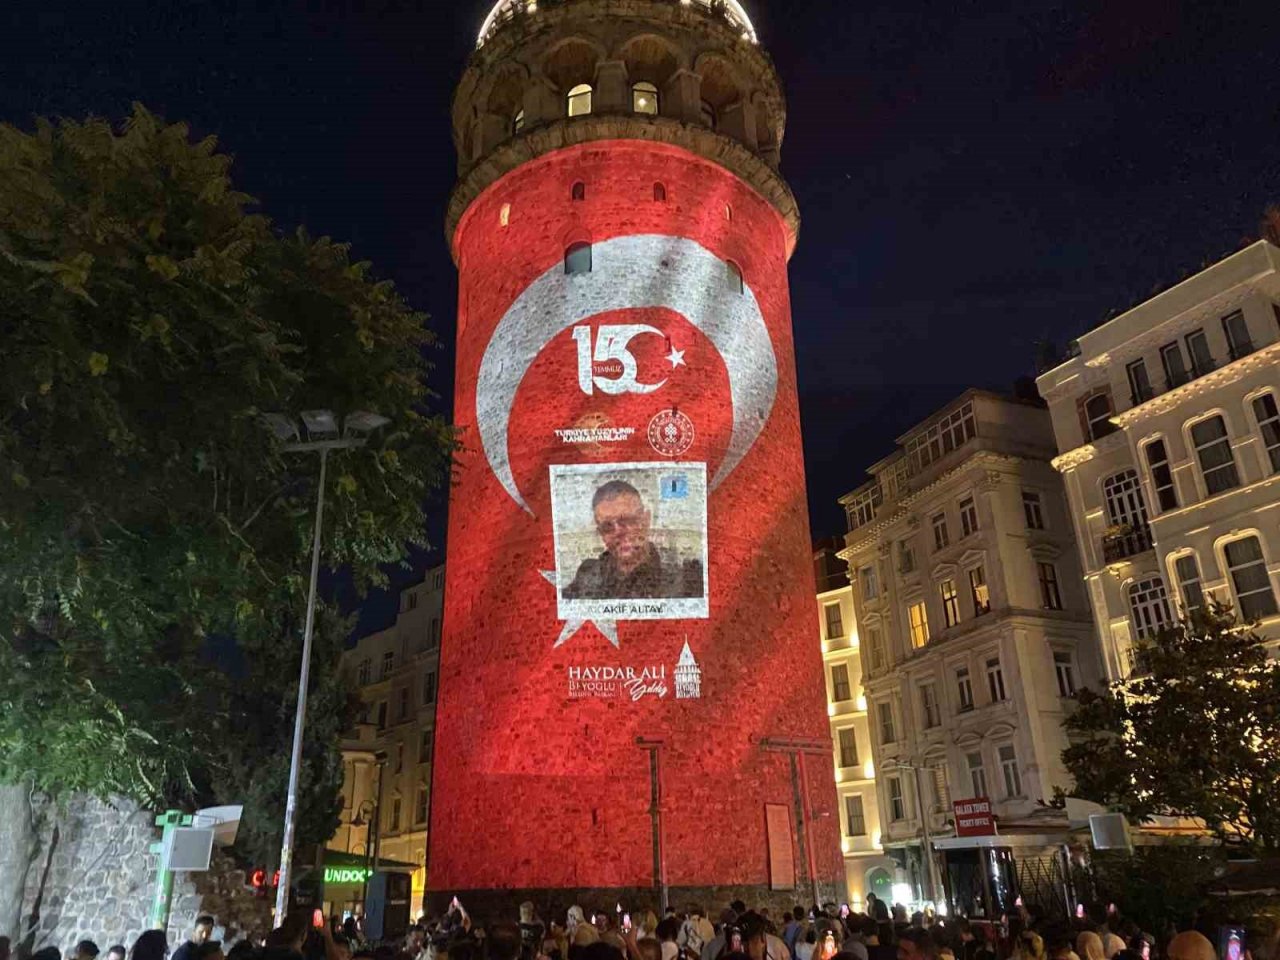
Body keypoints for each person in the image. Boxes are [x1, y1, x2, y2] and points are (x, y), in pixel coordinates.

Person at [562, 480, 704, 601]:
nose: (618, 531)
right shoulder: (587, 576)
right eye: (607, 527)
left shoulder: (686, 579)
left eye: (627, 521)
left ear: (646, 520)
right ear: (601, 533)